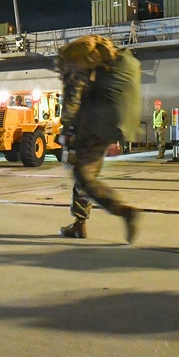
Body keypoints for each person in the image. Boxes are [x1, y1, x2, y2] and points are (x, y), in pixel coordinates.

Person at [56, 35, 141, 243]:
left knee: (83, 175)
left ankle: (122, 211)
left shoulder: (73, 66)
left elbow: (72, 99)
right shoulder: (99, 64)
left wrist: (66, 129)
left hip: (89, 126)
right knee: (84, 173)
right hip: (101, 126)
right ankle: (79, 224)